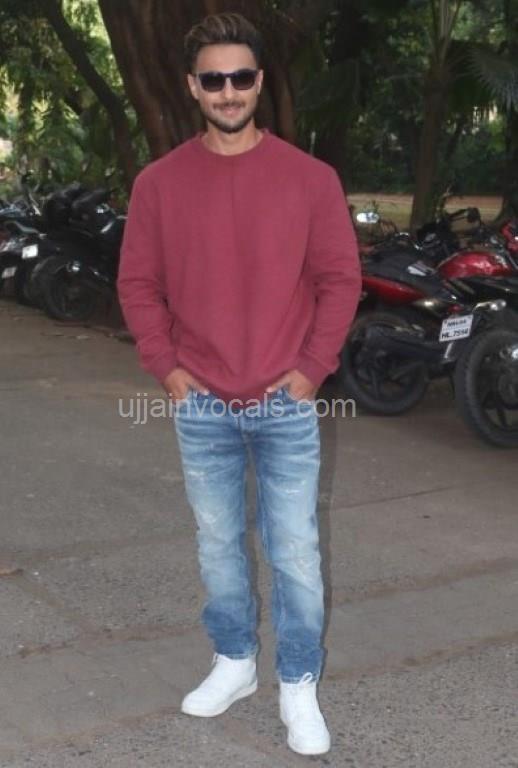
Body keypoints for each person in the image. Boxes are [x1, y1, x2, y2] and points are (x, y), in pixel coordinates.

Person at [117, 11, 361, 757]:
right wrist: (168, 369)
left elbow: (339, 280)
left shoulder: (310, 180)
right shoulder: (159, 185)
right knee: (219, 544)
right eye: (214, 79)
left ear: (260, 82)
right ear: (192, 87)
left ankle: (298, 681)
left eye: (241, 77)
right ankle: (234, 660)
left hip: (285, 403)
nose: (229, 91)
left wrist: (310, 371)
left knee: (295, 551)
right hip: (203, 403)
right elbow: (137, 284)